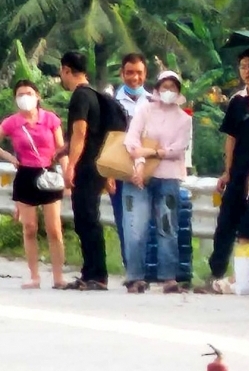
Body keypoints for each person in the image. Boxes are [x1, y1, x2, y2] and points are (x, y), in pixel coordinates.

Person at [199, 49, 249, 292]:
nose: (247, 71)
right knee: (226, 223)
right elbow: (230, 137)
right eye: (243, 66)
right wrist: (227, 171)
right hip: (239, 171)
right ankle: (216, 272)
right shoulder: (237, 101)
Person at [121, 71, 193, 294]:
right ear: (157, 88)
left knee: (167, 227)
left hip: (169, 177)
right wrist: (141, 161)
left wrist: (152, 151)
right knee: (136, 227)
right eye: (165, 87)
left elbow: (178, 148)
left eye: (173, 87)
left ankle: (168, 277)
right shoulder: (145, 110)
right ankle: (135, 276)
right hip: (138, 175)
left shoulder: (184, 118)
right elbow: (131, 141)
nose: (168, 92)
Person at [0, 80, 68, 289]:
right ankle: (34, 276)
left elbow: (61, 148)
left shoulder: (50, 120)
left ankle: (58, 276)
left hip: (48, 175)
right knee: (29, 228)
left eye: (28, 93)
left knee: (54, 228)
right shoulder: (12, 122)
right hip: (25, 175)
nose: (25, 98)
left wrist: (67, 175)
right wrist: (9, 157)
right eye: (20, 94)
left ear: (38, 96)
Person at [61, 51, 115, 291]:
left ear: (66, 70)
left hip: (86, 166)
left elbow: (81, 133)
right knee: (86, 218)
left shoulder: (80, 97)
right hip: (97, 164)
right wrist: (64, 150)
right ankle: (90, 272)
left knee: (87, 219)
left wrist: (70, 165)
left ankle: (97, 274)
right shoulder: (94, 95)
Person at [111, 53, 150, 269]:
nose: (134, 78)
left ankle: (148, 267)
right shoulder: (111, 103)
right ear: (122, 74)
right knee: (124, 219)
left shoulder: (154, 101)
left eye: (139, 73)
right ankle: (131, 268)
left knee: (148, 221)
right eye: (129, 73)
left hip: (148, 169)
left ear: (146, 74)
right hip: (119, 169)